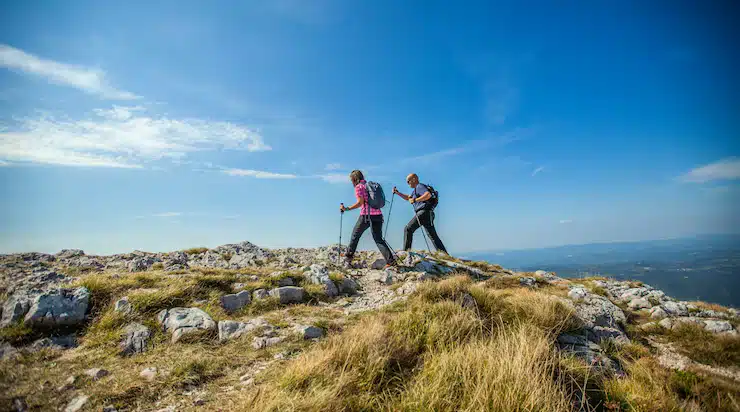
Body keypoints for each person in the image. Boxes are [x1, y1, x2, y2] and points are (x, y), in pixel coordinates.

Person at [340, 170, 395, 267]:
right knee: (378, 239)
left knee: (355, 235)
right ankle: (391, 261)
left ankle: (348, 255)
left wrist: (347, 208)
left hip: (366, 215)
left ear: (354, 179)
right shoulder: (369, 185)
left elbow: (360, 203)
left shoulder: (359, 187)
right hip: (378, 215)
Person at [393, 173, 448, 254]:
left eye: (408, 181)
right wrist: (398, 193)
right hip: (429, 213)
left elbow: (428, 195)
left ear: (414, 179)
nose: (408, 183)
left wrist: (415, 200)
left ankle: (406, 252)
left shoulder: (419, 186)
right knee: (433, 236)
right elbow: (408, 198)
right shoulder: (416, 190)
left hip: (423, 213)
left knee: (408, 229)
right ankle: (445, 255)